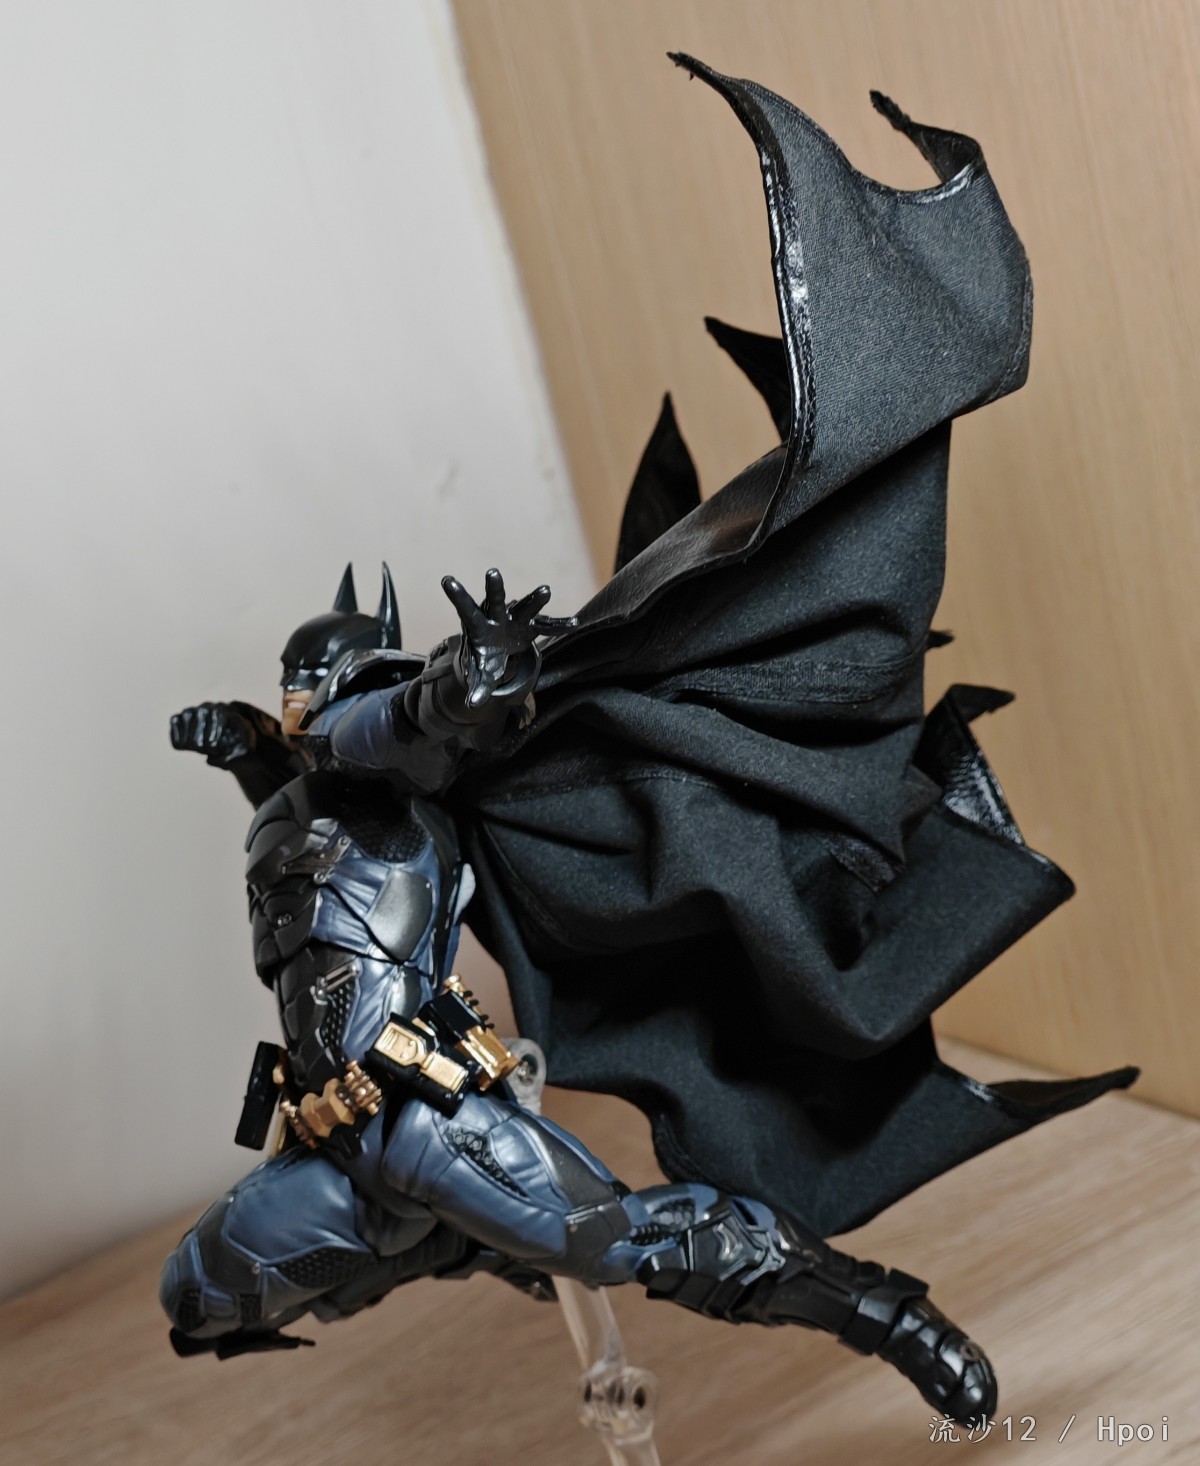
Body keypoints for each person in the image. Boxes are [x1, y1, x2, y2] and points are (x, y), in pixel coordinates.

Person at [162, 563, 996, 1425]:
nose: (300, 708)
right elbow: (319, 822)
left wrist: (468, 682)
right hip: (338, 1144)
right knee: (197, 1295)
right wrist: (246, 747)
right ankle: (468, 1239)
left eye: (308, 690)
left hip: (426, 1120)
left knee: (617, 1242)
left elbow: (396, 725)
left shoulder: (378, 749)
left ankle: (880, 1311)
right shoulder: (312, 803)